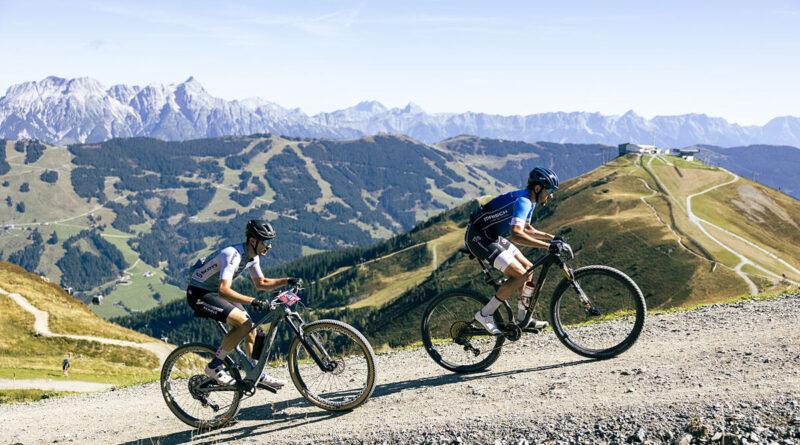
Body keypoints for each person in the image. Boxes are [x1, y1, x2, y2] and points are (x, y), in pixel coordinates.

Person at [186, 219, 299, 388]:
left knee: (251, 328)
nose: (269, 246)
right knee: (242, 323)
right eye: (266, 242)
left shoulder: (252, 257)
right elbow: (224, 291)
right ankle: (214, 366)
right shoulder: (233, 254)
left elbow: (261, 283)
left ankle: (255, 372)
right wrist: (253, 301)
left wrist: (287, 280)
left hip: (215, 291)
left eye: (271, 242)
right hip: (199, 293)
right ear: (253, 241)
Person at [465, 166, 570, 335]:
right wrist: (547, 246)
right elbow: (515, 235)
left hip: (491, 235)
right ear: (538, 188)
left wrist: (552, 237)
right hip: (478, 237)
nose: (551, 195)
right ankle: (485, 314)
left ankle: (523, 320)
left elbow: (526, 227)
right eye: (549, 190)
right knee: (520, 275)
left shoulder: (531, 201)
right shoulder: (523, 201)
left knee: (529, 270)